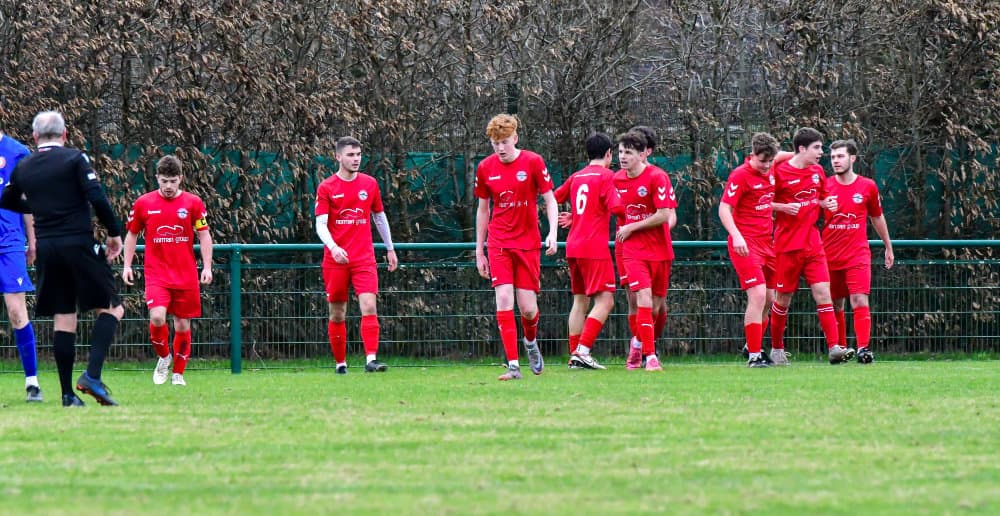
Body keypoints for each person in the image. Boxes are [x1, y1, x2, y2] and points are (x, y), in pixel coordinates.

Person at [0, 111, 124, 406]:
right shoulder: (74, 159)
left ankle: (67, 394)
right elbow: (97, 197)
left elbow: (7, 200)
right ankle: (92, 376)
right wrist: (114, 234)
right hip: (78, 243)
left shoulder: (25, 166)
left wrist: (40, 207)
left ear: (35, 137)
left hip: (48, 249)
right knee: (113, 308)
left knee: (64, 316)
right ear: (64, 134)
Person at [474, 114, 558, 380]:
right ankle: (513, 365)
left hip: (527, 244)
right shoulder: (485, 168)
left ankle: (530, 342)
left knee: (528, 309)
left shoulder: (533, 162)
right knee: (503, 299)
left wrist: (553, 232)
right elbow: (483, 210)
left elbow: (550, 200)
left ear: (515, 138)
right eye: (495, 143)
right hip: (498, 242)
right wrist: (479, 250)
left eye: (505, 142)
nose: (500, 148)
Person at [122, 155, 213, 386]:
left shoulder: (193, 203)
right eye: (164, 181)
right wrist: (127, 265)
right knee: (157, 317)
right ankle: (164, 357)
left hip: (186, 274)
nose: (169, 186)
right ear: (157, 179)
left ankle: (178, 374)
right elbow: (131, 234)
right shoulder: (144, 203)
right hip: (157, 273)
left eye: (173, 181)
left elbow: (204, 235)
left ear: (180, 178)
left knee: (182, 325)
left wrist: (207, 267)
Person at [315, 136, 398, 374]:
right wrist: (334, 247)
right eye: (350, 155)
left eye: (358, 154)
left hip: (364, 257)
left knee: (369, 305)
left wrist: (390, 248)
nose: (356, 159)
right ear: (338, 157)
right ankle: (340, 363)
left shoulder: (369, 184)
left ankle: (371, 359)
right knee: (337, 312)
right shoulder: (326, 187)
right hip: (336, 260)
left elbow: (379, 217)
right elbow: (320, 225)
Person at [769, 127, 847, 365]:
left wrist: (827, 203)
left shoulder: (817, 171)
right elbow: (761, 202)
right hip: (786, 245)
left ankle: (834, 348)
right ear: (802, 149)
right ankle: (776, 349)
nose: (821, 152)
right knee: (783, 299)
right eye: (817, 148)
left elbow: (821, 197)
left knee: (824, 293)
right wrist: (782, 207)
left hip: (813, 244)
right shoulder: (779, 171)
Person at [553, 133, 623, 370]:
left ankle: (575, 356)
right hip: (594, 247)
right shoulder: (607, 176)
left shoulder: (577, 176)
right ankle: (582, 351)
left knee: (580, 301)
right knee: (606, 300)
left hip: (573, 246)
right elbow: (616, 208)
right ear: (609, 154)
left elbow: (554, 198)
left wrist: (576, 217)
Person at [822, 139, 894, 363]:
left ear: (852, 158)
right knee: (835, 303)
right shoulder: (824, 186)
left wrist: (888, 246)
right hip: (829, 254)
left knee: (859, 299)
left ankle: (863, 349)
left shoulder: (867, 186)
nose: (836, 161)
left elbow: (877, 217)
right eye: (833, 157)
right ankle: (841, 349)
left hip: (857, 254)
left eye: (840, 156)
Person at [614, 130, 676, 371]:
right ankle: (650, 357)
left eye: (628, 152)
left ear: (643, 154)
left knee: (656, 307)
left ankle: (638, 343)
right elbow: (603, 204)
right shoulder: (616, 180)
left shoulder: (657, 177)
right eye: (620, 152)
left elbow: (664, 214)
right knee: (642, 298)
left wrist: (633, 226)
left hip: (660, 250)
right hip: (632, 251)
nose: (623, 157)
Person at [719, 133, 781, 367]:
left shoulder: (772, 166)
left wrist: (802, 153)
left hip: (767, 243)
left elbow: (786, 156)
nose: (766, 166)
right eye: (762, 160)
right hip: (745, 244)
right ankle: (755, 355)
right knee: (757, 295)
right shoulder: (740, 175)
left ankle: (750, 345)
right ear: (752, 154)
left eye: (770, 161)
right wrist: (736, 235)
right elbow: (724, 208)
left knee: (770, 299)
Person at [0, 127, 41, 401]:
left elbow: (28, 200)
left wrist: (33, 239)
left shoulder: (17, 153)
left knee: (16, 311)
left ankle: (32, 383)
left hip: (10, 241)